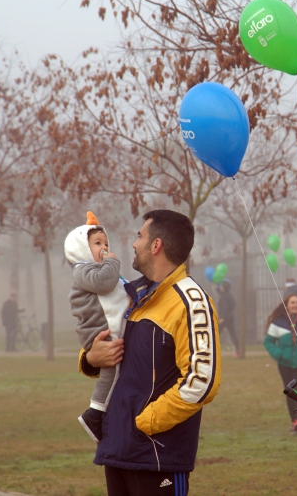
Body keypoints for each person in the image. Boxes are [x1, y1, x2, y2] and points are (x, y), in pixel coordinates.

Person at [79, 209, 221, 496]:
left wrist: (144, 422)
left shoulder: (191, 301)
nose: (133, 243)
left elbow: (202, 380)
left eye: (140, 236)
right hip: (118, 449)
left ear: (156, 246)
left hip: (156, 456)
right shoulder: (134, 293)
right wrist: (90, 358)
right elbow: (108, 348)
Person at [65, 211, 131, 443]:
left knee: (115, 371)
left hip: (106, 326)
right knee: (111, 371)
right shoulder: (84, 270)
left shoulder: (101, 270)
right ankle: (95, 413)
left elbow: (123, 288)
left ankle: (99, 413)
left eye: (106, 243)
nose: (104, 247)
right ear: (81, 248)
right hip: (98, 329)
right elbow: (104, 283)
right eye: (97, 243)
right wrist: (112, 260)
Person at [263, 293, 297, 435]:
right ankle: (294, 421)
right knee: (290, 392)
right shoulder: (278, 322)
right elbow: (268, 341)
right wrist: (279, 354)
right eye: (292, 303)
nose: (295, 305)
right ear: (287, 305)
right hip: (284, 363)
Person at [215, 280, 240, 357]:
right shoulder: (228, 295)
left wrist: (222, 318)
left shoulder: (224, 297)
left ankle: (213, 350)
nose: (220, 287)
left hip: (225, 318)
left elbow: (224, 308)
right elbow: (233, 305)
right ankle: (238, 351)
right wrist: (216, 288)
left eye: (221, 286)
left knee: (216, 334)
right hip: (230, 317)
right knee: (233, 333)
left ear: (224, 288)